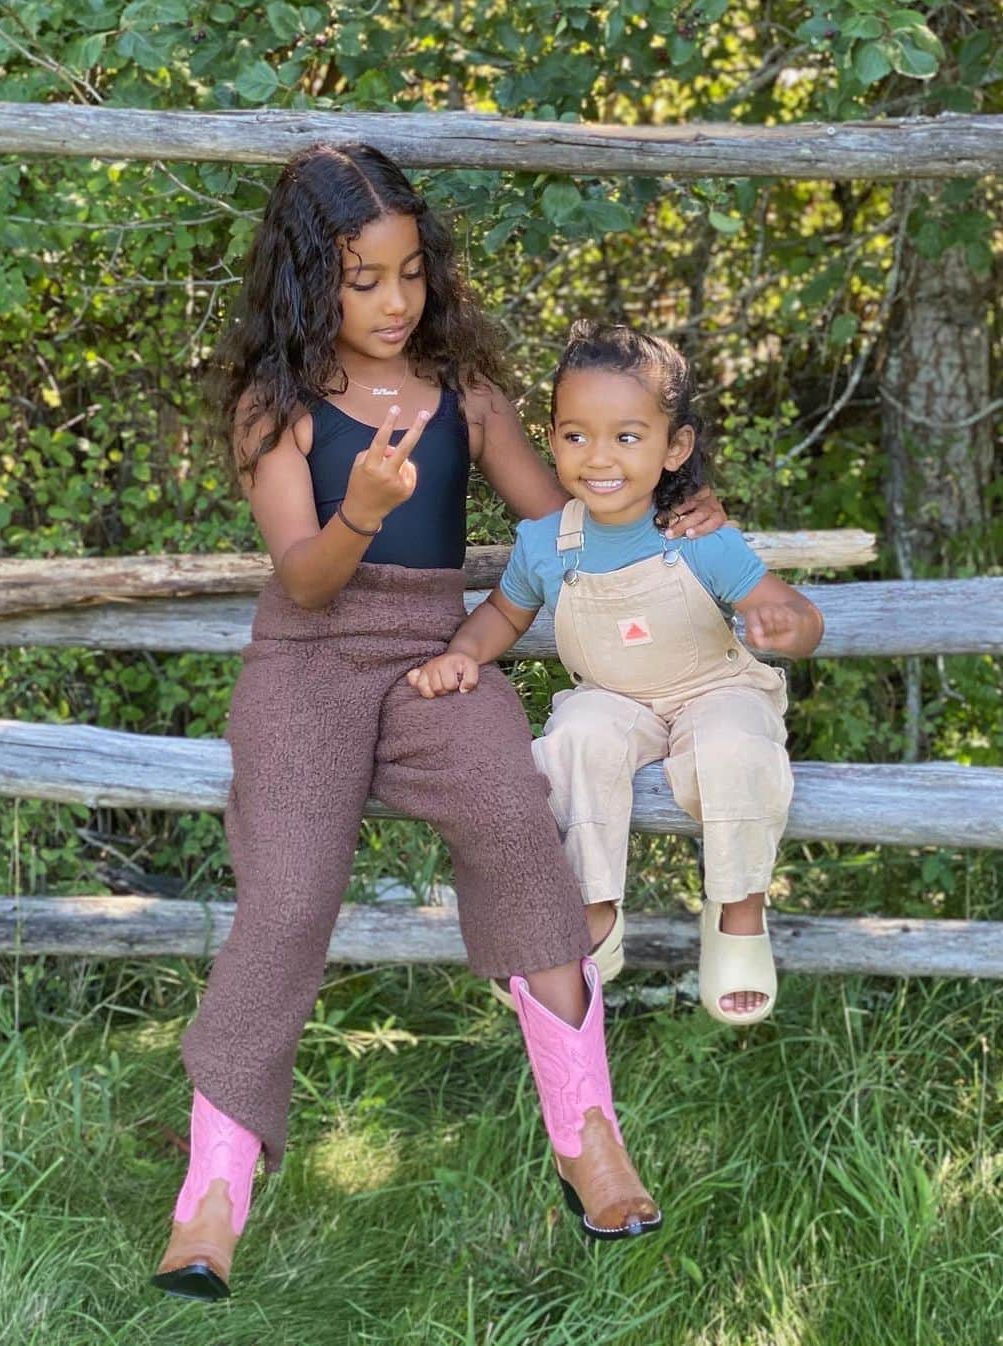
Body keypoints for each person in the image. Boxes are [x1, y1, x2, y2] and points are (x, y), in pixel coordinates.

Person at [151, 149, 730, 1300]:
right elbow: (308, 582)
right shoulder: (278, 406)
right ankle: (213, 1188)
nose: (395, 301)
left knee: (517, 819)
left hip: (437, 656)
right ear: (308, 278)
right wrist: (361, 508)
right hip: (309, 660)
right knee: (290, 893)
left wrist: (675, 502)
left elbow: (569, 514)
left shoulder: (463, 396)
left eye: (410, 272)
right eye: (362, 278)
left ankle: (587, 1134)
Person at [409, 321, 824, 1030]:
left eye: (627, 437)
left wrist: (788, 623)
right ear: (552, 436)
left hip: (712, 691)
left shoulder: (695, 533)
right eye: (576, 436)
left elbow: (788, 610)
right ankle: (593, 909)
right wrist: (463, 651)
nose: (599, 457)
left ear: (675, 447)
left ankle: (739, 910)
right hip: (615, 699)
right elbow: (504, 615)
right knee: (573, 737)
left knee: (735, 748)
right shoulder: (548, 541)